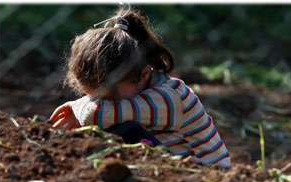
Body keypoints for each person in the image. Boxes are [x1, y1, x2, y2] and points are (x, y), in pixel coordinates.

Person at [49, 7, 231, 169]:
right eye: (94, 96)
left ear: (143, 75)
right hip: (179, 170)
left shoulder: (169, 98)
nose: (101, 102)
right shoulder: (139, 88)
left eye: (110, 97)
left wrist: (76, 106)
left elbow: (95, 114)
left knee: (119, 127)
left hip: (206, 177)